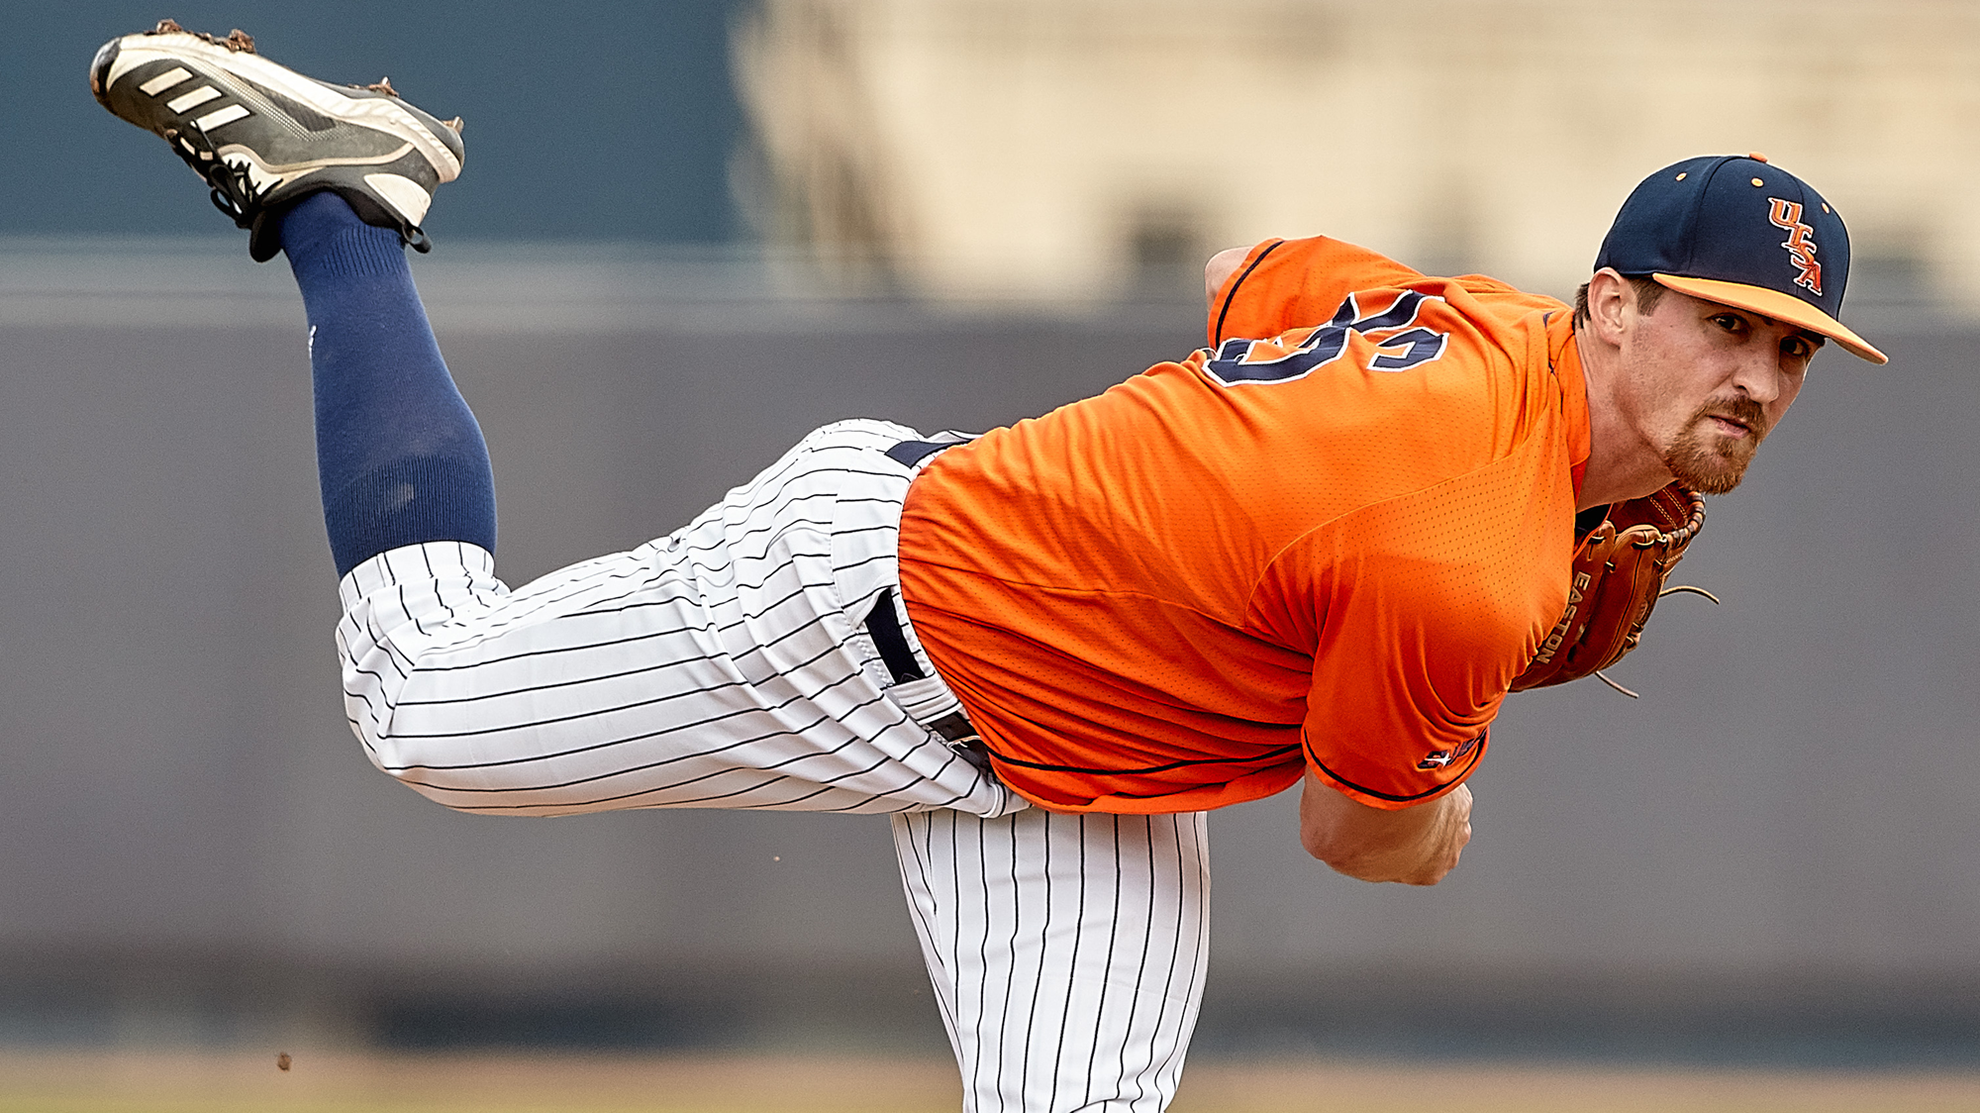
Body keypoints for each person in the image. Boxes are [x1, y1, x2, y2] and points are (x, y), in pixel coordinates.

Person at [92, 21, 1885, 1113]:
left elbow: (1259, 275)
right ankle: (349, 203)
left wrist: (1219, 519)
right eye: (1727, 322)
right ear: (1615, 301)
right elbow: (1364, 837)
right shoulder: (1461, 560)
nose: (1757, 374)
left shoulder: (1463, 325)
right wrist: (1449, 806)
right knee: (426, 705)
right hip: (870, 608)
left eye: (1794, 350)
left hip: (1084, 768)